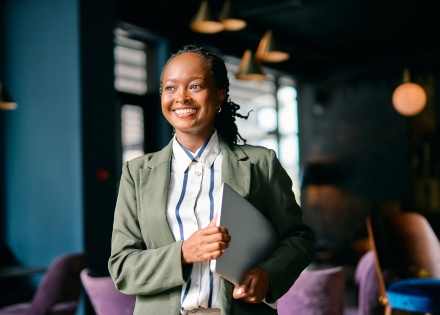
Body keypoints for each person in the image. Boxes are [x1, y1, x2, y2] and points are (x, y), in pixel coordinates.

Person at [108, 44, 314, 315]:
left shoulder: (260, 163)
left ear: (219, 96)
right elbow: (122, 268)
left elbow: (298, 237)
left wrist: (268, 274)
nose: (181, 97)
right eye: (170, 88)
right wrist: (183, 253)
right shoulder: (136, 174)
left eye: (194, 86)